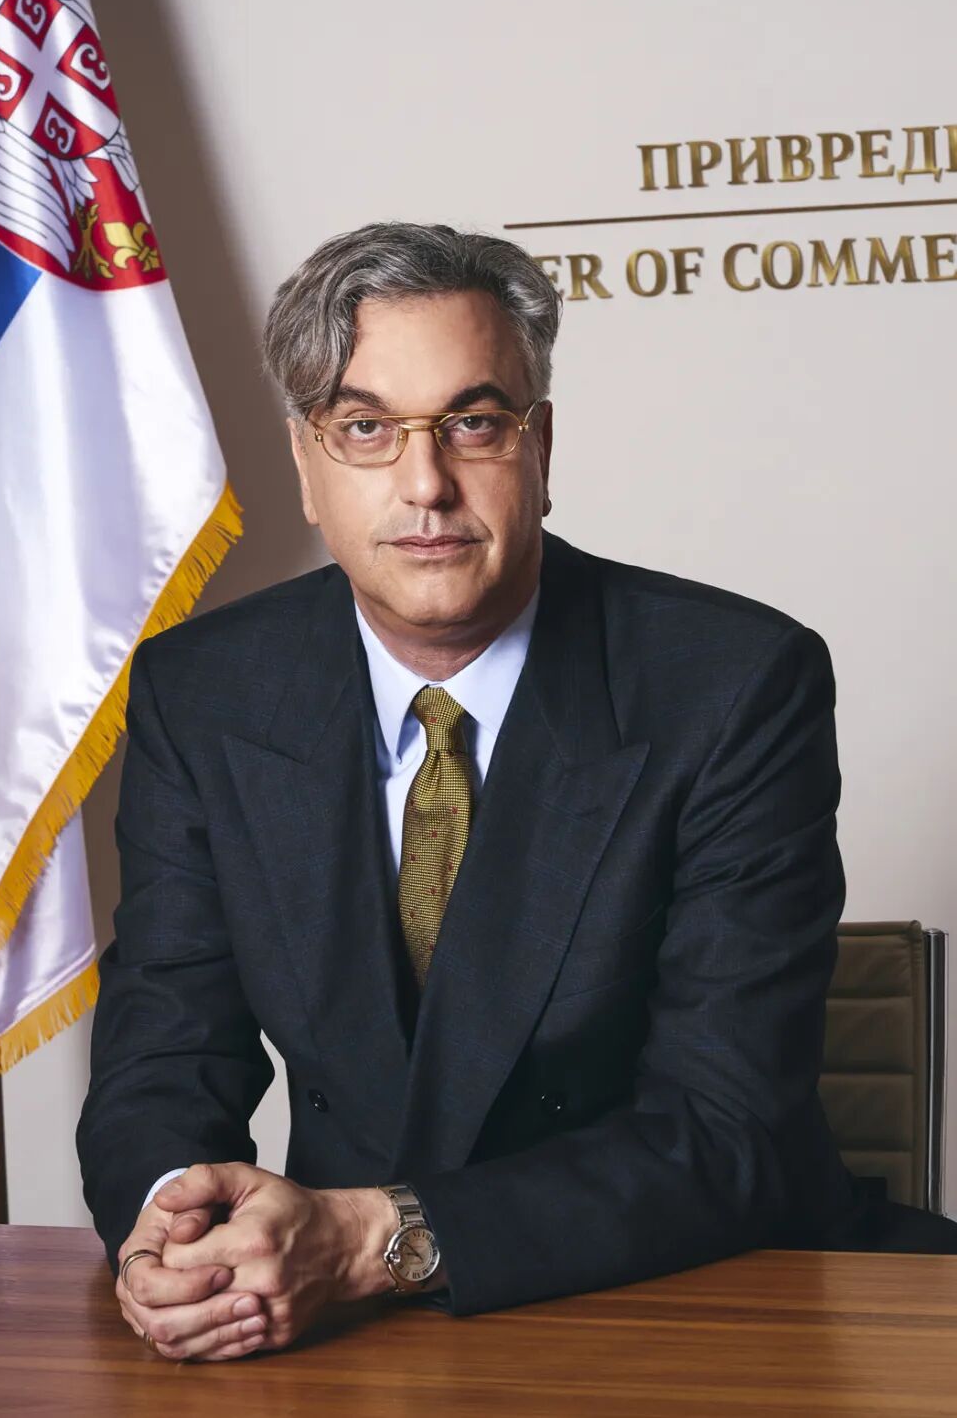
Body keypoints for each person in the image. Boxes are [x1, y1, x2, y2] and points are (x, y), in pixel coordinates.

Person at [77, 221, 956, 1364]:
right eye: (366, 428)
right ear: (304, 465)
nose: (426, 484)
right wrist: (176, 1231)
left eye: (474, 423)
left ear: (540, 447)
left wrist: (374, 1239)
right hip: (341, 1335)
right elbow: (164, 1052)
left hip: (694, 1301)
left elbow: (724, 1126)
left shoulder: (735, 684)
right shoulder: (205, 693)